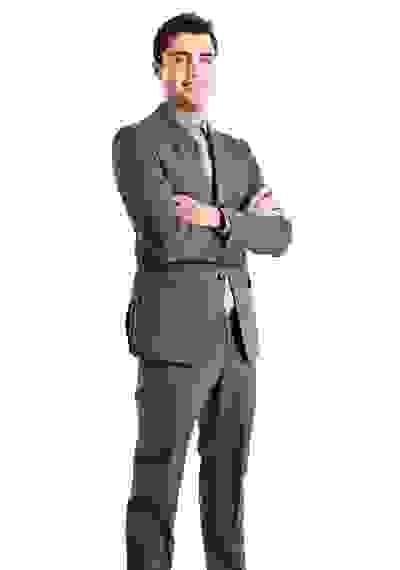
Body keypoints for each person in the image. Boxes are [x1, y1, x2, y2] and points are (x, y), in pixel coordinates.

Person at [112, 11, 293, 570]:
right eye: (180, 59)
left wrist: (214, 217)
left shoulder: (239, 151)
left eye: (205, 59)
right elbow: (165, 237)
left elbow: (281, 236)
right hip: (173, 338)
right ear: (159, 68)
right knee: (157, 488)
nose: (195, 71)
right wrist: (243, 227)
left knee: (228, 492)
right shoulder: (136, 142)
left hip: (238, 343)